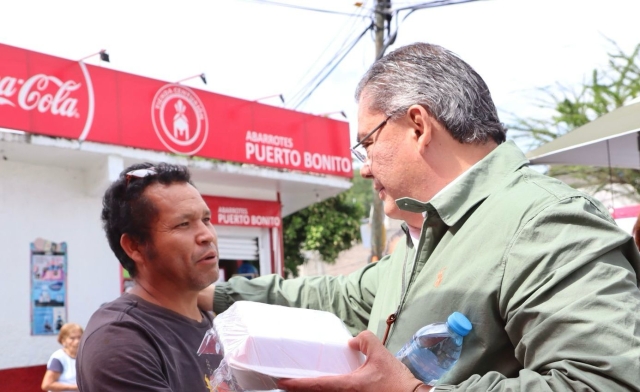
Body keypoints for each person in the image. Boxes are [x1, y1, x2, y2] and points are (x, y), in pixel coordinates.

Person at [198, 42, 640, 391]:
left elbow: (606, 382)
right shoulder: (425, 239)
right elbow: (337, 297)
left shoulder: (544, 221)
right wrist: (208, 294)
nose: (365, 166)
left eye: (367, 143)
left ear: (418, 126)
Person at [76, 163, 221, 391]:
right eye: (183, 224)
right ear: (135, 246)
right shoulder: (119, 341)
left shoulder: (210, 321)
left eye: (206, 219)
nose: (207, 235)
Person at [41, 322, 83, 392]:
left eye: (80, 337)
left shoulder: (83, 356)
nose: (77, 341)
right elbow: (47, 385)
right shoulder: (59, 358)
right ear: (63, 341)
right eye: (72, 338)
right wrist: (75, 387)